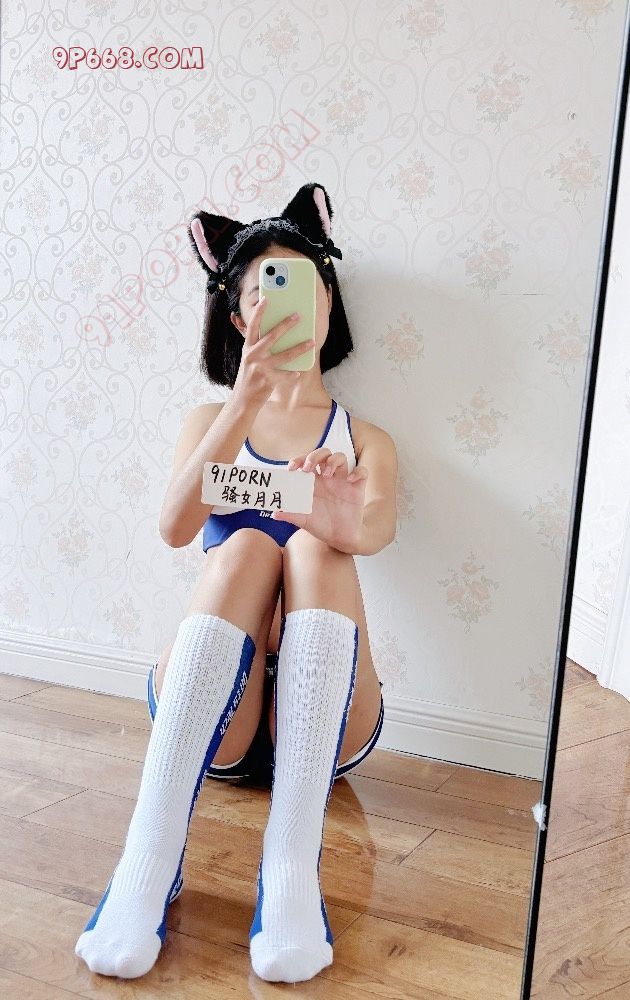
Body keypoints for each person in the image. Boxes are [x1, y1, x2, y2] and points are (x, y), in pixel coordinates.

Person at [74, 182, 398, 985]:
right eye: (263, 291)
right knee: (247, 546)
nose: (286, 304)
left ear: (329, 302)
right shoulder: (208, 422)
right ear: (237, 318)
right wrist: (243, 402)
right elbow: (174, 526)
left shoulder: (364, 439)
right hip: (215, 712)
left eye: (304, 284)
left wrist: (337, 518)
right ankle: (148, 859)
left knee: (318, 551)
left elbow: (376, 533)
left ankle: (290, 867)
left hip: (326, 722)